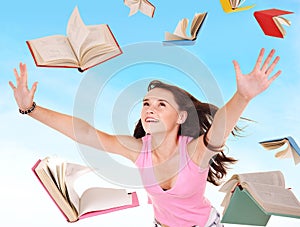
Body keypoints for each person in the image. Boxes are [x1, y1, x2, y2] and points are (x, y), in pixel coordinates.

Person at [9, 48, 281, 227]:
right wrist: (30, 109)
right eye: (146, 103)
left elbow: (218, 129)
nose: (150, 108)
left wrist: (242, 97)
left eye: (162, 105)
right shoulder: (139, 149)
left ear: (182, 117)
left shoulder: (195, 152)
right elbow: (86, 133)